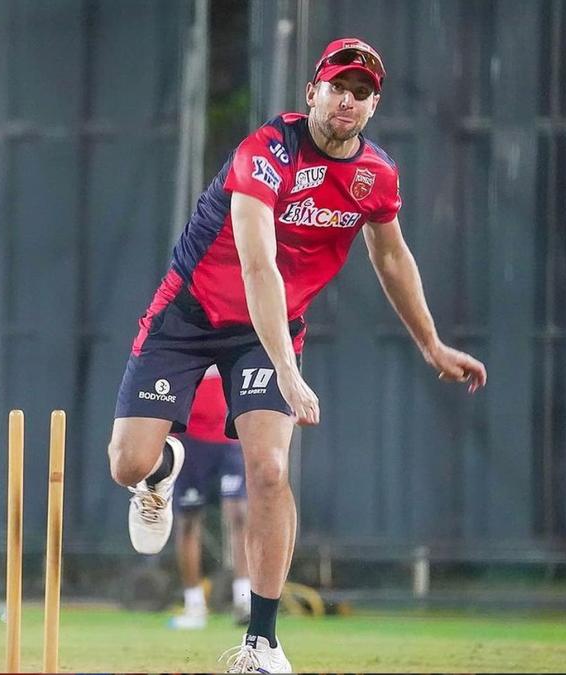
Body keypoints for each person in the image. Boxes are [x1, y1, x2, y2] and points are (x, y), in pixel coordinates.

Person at [108, 37, 487, 673]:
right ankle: (157, 472)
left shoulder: (376, 176)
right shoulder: (265, 153)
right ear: (313, 91)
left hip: (267, 330)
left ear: (373, 108)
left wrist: (431, 343)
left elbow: (391, 256)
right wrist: (289, 370)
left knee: (270, 472)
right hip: (191, 311)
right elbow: (258, 265)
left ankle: (261, 642)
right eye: (338, 86)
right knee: (127, 462)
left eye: (361, 93)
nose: (348, 100)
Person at [169, 365, 250, 630]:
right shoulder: (182, 330)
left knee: (239, 514)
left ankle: (245, 601)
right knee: (189, 520)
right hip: (190, 438)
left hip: (231, 436)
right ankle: (194, 606)